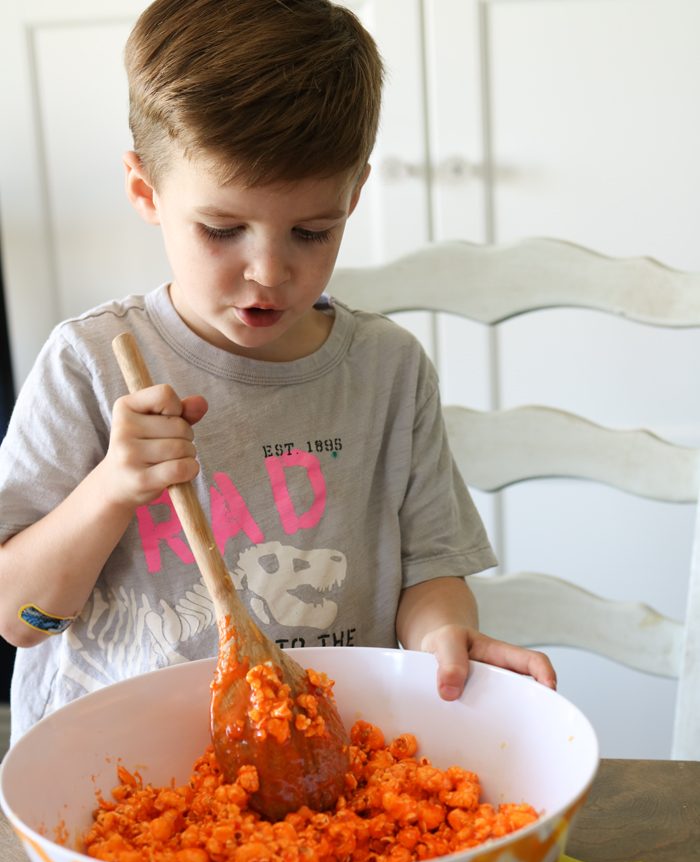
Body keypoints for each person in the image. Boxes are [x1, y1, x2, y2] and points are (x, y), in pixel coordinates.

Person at [0, 0, 555, 747]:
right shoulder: (89, 365)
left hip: (328, 763)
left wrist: (442, 641)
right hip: (116, 778)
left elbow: (430, 572)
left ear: (354, 195)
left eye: (311, 231)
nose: (268, 271)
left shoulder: (386, 372)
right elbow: (19, 616)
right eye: (222, 229)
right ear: (145, 192)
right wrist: (111, 487)